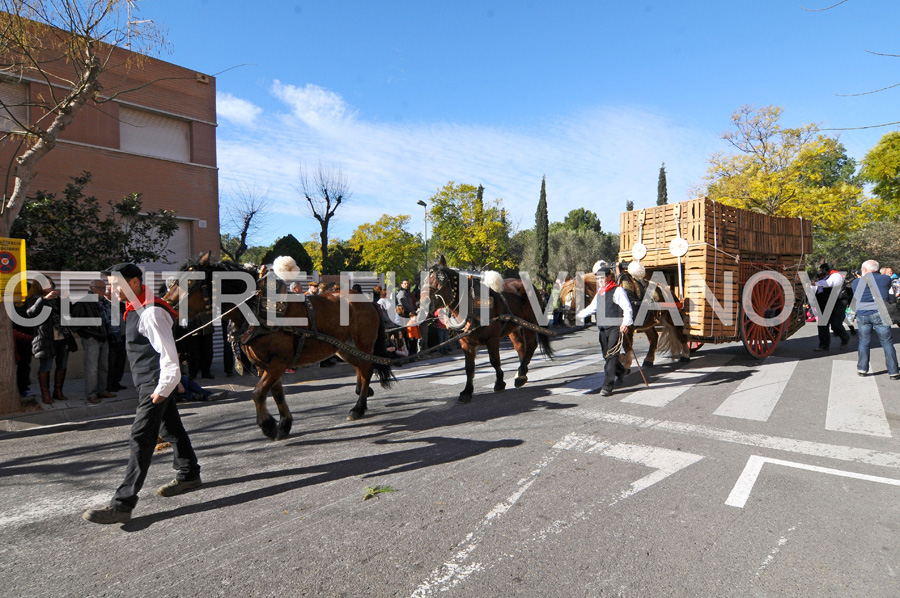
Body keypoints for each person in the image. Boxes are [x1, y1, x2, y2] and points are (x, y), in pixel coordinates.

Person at [82, 263, 202, 525]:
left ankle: (122, 505)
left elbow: (169, 356)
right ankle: (189, 473)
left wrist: (163, 388)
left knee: (141, 437)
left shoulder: (150, 313)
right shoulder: (138, 307)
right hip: (150, 382)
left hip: (155, 384)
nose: (112, 290)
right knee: (171, 428)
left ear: (135, 282)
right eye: (111, 285)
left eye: (116, 285)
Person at [576, 265, 633, 397]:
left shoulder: (617, 291)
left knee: (611, 357)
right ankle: (622, 371)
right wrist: (578, 315)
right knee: (606, 356)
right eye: (598, 279)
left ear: (609, 277)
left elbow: (627, 308)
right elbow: (592, 308)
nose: (599, 281)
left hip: (615, 328)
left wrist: (625, 323)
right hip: (603, 329)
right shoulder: (600, 292)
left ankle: (607, 386)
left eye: (602, 278)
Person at [26, 278, 74, 404]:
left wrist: (66, 299)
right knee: (46, 366)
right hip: (45, 338)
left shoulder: (56, 298)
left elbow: (68, 314)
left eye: (50, 283)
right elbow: (30, 313)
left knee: (62, 365)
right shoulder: (35, 298)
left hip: (62, 336)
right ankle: (45, 394)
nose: (49, 285)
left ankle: (58, 391)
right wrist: (43, 299)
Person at [852, 260, 899, 380]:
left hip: (863, 313)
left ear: (865, 269)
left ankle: (862, 369)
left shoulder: (857, 282)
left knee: (864, 341)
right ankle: (893, 371)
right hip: (880, 312)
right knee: (887, 342)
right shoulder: (885, 279)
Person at [72, 279, 117, 404]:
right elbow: (74, 323)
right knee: (92, 368)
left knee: (104, 366)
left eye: (104, 288)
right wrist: (88, 335)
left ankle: (102, 390)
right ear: (92, 288)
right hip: (92, 338)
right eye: (100, 288)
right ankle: (91, 393)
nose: (103, 290)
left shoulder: (104, 302)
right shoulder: (83, 302)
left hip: (104, 337)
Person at [812, 263, 849, 352]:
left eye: (822, 270)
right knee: (822, 324)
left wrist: (816, 283)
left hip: (837, 302)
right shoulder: (826, 277)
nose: (821, 272)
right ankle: (824, 345)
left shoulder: (836, 275)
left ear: (825, 269)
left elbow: (829, 283)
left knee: (836, 324)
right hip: (825, 302)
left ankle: (845, 338)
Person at [106, 282, 128, 392]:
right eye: (111, 292)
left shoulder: (121, 305)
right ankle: (109, 383)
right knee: (111, 361)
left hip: (123, 336)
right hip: (112, 337)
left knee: (121, 361)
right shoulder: (104, 305)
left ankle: (116, 382)